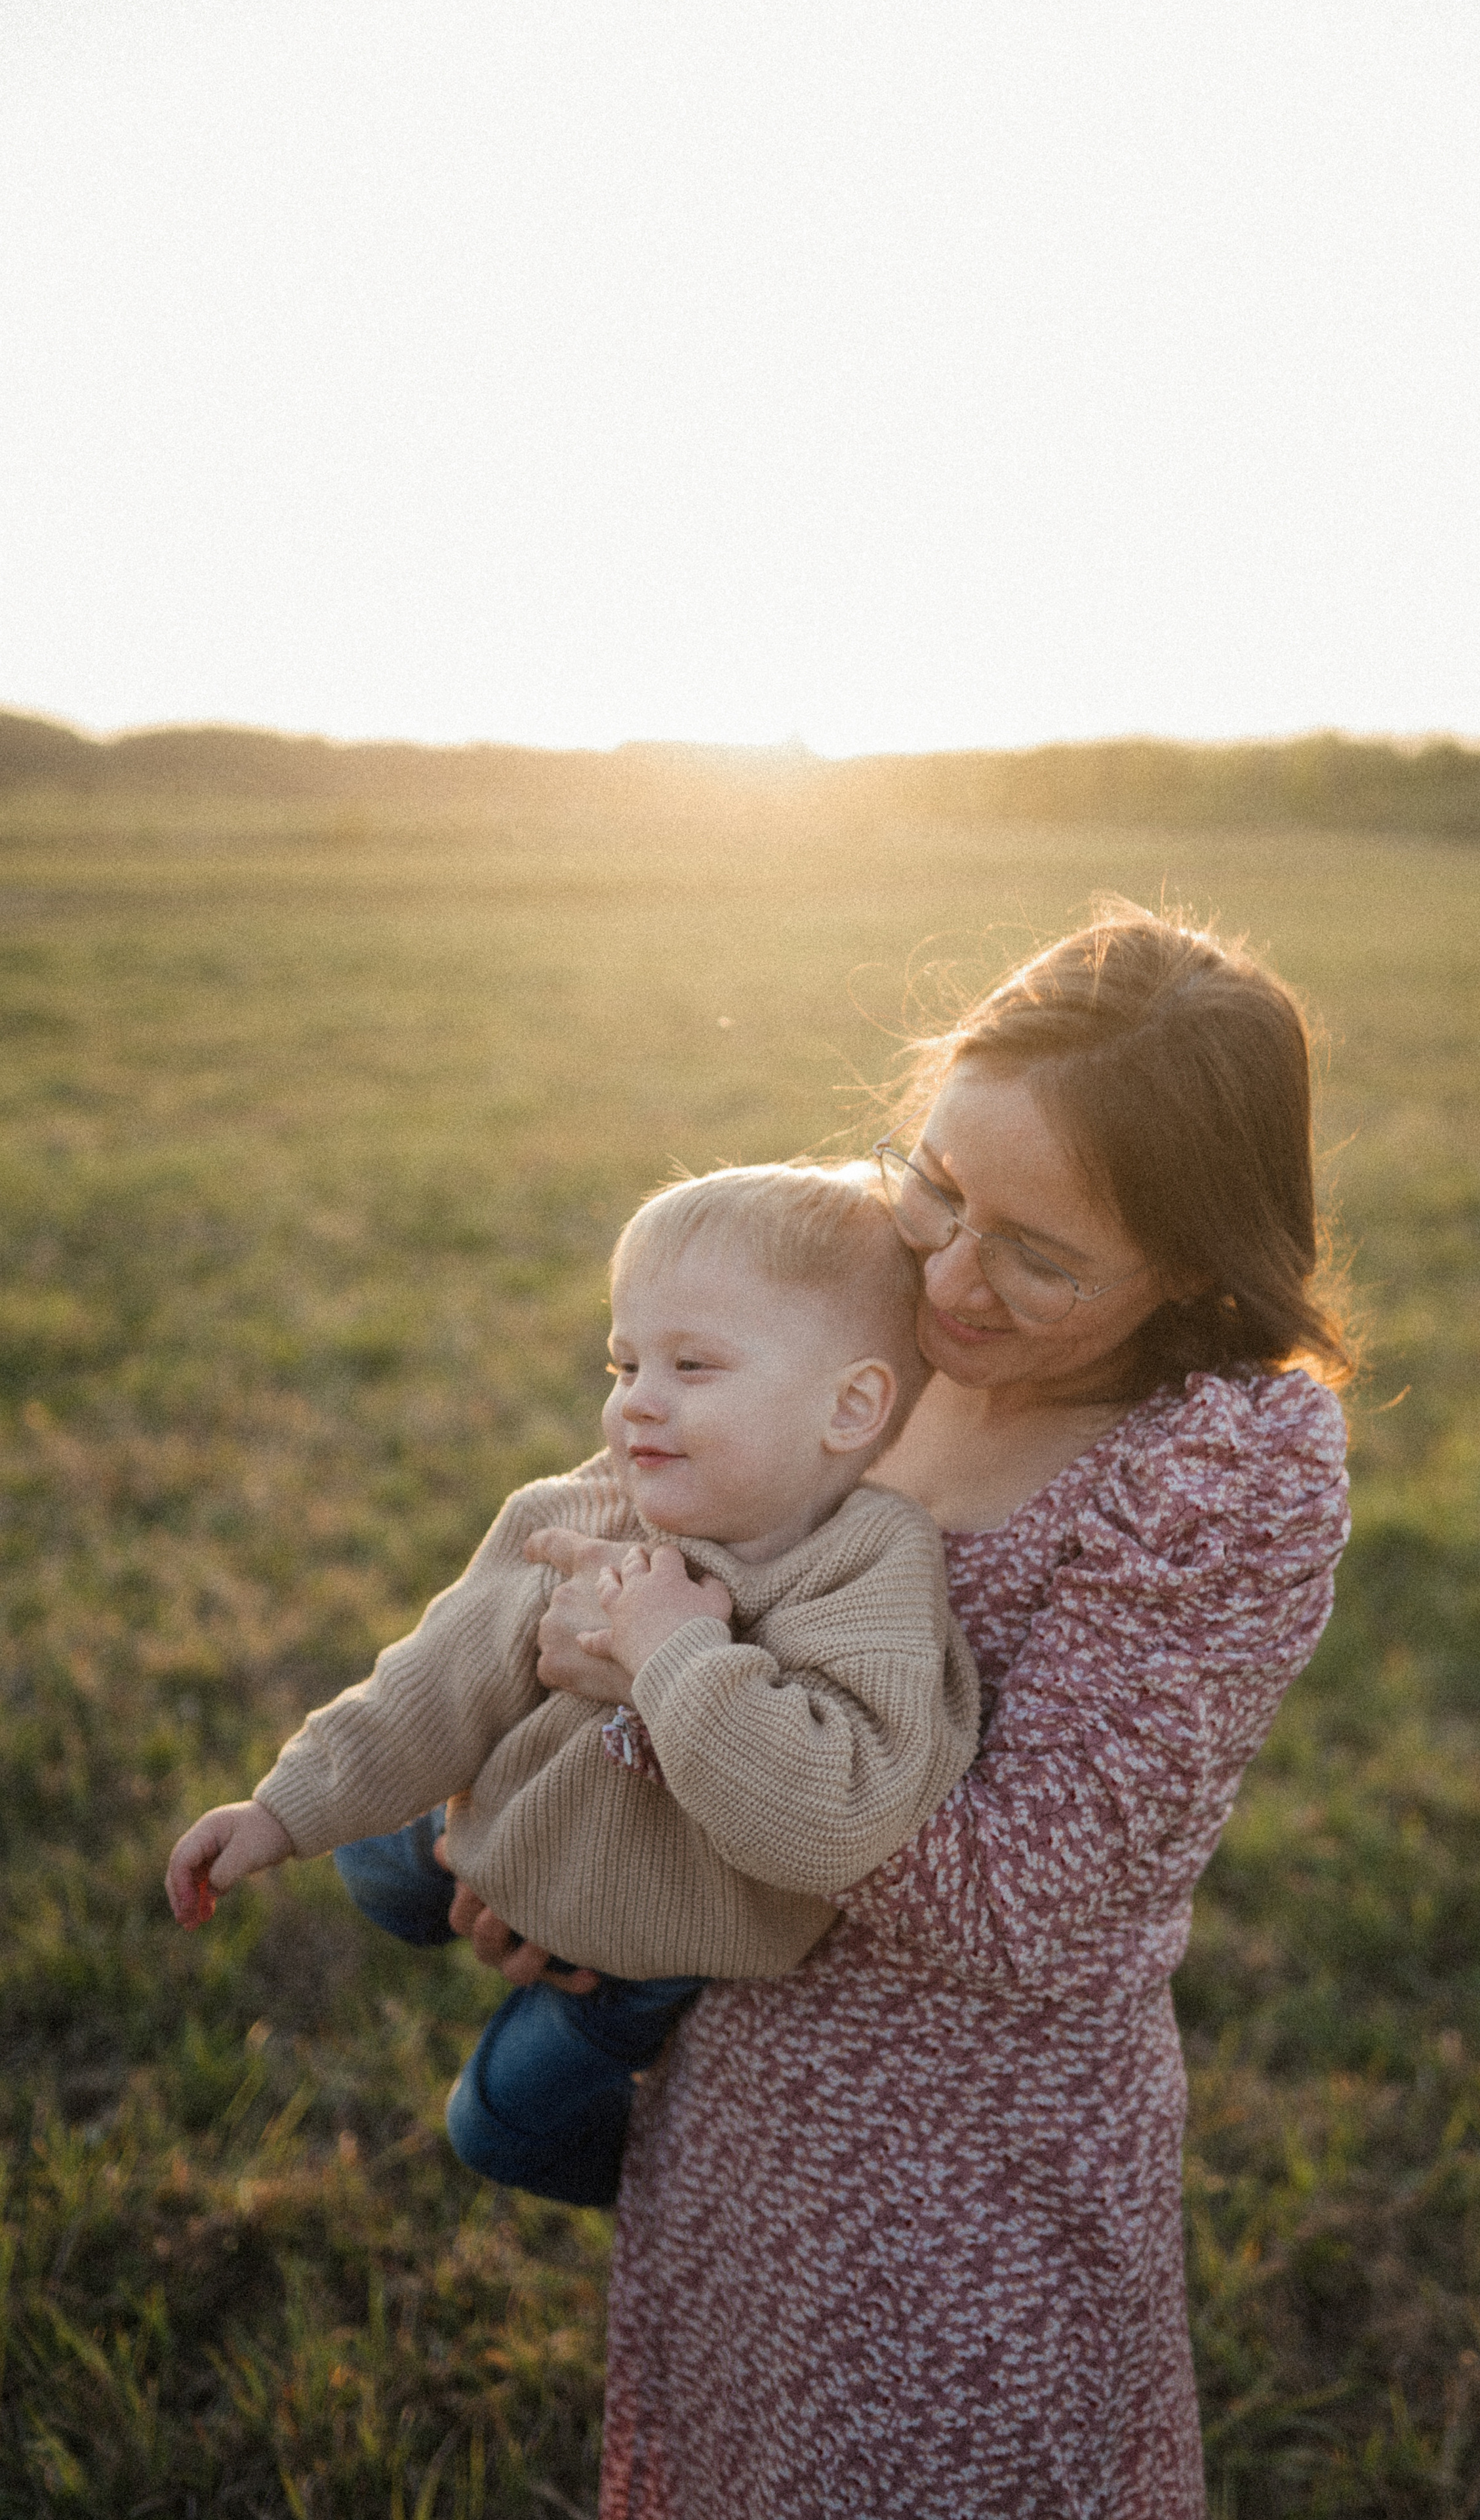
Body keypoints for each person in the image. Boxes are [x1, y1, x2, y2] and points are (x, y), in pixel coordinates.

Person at [510, 904, 1355, 2517]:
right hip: (726, 2074)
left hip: (957, 2174)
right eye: (939, 1184)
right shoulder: (850, 1296)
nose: (949, 1280)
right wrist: (566, 1849)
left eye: (1038, 1254)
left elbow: (1015, 1901)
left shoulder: (1224, 1468)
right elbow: (657, 1563)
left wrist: (681, 1692)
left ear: (1193, 1256)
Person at [164, 1164, 980, 2207]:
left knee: (497, 2126)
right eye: (624, 1357)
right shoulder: (592, 1505)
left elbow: (830, 1815)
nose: (637, 1397)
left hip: (656, 1945)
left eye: (692, 1363)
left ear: (850, 1404)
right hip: (523, 1813)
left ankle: (656, 2189)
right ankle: (421, 1864)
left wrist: (671, 1652)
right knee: (375, 1865)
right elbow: (440, 1671)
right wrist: (279, 1809)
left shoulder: (871, 1564)